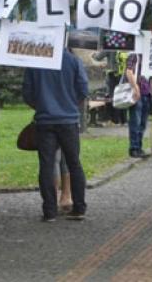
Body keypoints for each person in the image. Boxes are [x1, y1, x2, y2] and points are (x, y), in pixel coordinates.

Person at [23, 48, 89, 222]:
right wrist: (70, 105)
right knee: (74, 163)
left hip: (45, 120)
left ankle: (49, 211)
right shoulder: (74, 61)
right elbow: (83, 89)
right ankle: (79, 207)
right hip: (68, 120)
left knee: (46, 164)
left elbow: (27, 93)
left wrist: (42, 106)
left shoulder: (35, 61)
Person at [124, 53, 152, 158]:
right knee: (135, 121)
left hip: (147, 93)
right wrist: (135, 87)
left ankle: (139, 147)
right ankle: (134, 148)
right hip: (137, 93)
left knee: (142, 123)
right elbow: (129, 71)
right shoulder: (134, 55)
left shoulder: (150, 55)